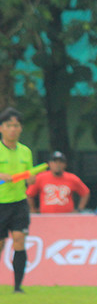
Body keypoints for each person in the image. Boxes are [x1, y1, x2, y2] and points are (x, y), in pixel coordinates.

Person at [0, 107, 35, 293]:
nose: (13, 129)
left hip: (19, 202)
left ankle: (17, 286)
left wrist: (31, 180)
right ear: (1, 128)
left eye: (16, 125)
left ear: (21, 128)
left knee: (19, 240)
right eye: (8, 125)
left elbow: (29, 176)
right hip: (0, 203)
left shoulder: (25, 151)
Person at [26, 151, 90, 213]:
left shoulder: (72, 178)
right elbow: (29, 194)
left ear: (65, 165)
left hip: (67, 217)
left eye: (60, 162)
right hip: (46, 217)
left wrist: (79, 209)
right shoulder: (40, 177)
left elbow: (85, 192)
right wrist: (32, 209)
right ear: (49, 164)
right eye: (55, 162)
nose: (57, 165)